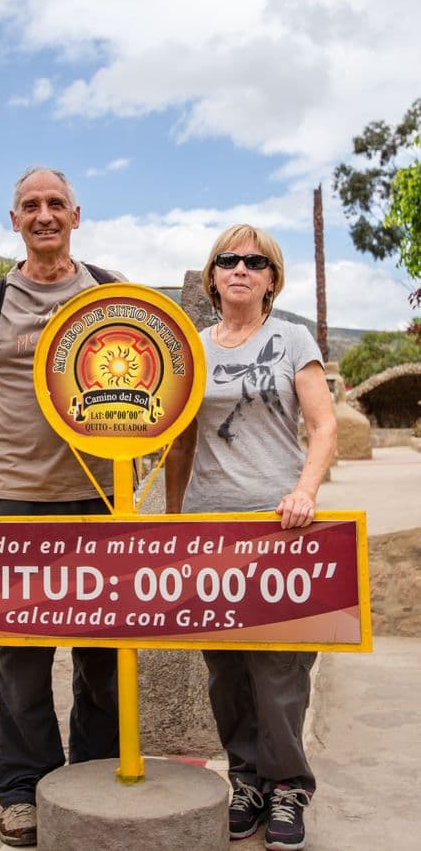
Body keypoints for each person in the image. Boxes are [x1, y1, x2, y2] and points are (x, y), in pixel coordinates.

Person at [0, 166, 121, 847]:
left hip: (101, 495)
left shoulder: (110, 294)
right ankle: (23, 787)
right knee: (19, 651)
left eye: (55, 203)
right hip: (16, 496)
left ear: (77, 215)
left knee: (102, 648)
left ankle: (96, 773)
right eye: (30, 205)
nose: (43, 214)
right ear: (13, 219)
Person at [165, 224, 336, 851]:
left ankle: (288, 785)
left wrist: (306, 492)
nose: (240, 269)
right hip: (211, 527)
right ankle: (246, 781)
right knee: (226, 669)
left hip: (280, 525)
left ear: (271, 277)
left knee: (281, 667)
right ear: (212, 276)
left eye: (254, 261)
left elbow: (321, 427)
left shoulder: (291, 338)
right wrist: (177, 517)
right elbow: (181, 440)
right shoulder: (192, 348)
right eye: (228, 260)